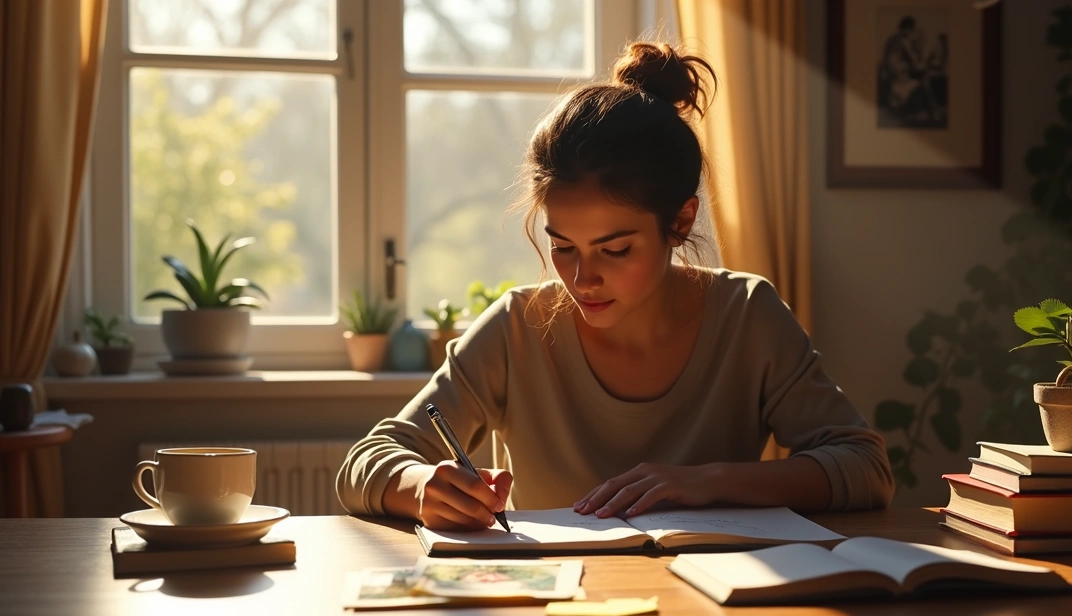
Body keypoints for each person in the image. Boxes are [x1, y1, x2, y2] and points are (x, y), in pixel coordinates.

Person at [336, 42, 894, 531]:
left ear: (680, 221)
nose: (582, 279)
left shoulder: (746, 314)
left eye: (615, 249)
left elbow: (864, 468)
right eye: (562, 246)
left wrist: (711, 482)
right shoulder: (518, 327)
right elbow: (367, 461)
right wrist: (419, 486)